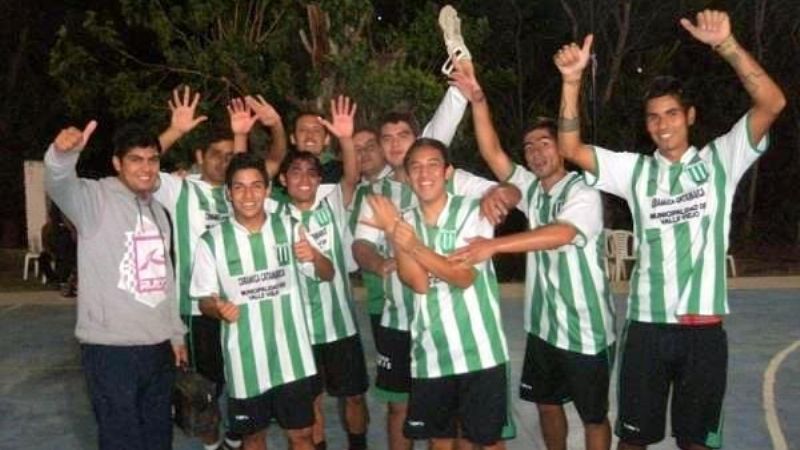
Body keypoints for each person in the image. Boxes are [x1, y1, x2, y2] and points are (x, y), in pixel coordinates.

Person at [554, 10, 785, 450]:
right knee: (633, 441)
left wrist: (727, 45)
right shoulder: (635, 172)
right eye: (653, 117)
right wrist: (571, 81)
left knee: (696, 442)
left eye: (671, 114)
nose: (662, 124)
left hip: (704, 330)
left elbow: (772, 104)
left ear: (690, 116)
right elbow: (570, 149)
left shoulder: (721, 160)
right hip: (646, 328)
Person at [351, 9, 520, 450]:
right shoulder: (379, 195)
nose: (393, 145)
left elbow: (510, 188)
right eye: (385, 139)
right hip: (400, 316)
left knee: (468, 427)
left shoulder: (446, 178)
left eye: (401, 136)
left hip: (458, 323)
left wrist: (497, 199)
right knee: (403, 410)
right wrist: (381, 260)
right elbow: (362, 246)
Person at [449, 61, 616, 450]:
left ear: (561, 146)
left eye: (545, 143)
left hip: (587, 331)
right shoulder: (532, 188)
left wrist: (492, 246)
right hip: (543, 327)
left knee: (594, 416)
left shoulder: (583, 192)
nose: (537, 152)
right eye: (529, 147)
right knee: (545, 405)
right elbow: (491, 152)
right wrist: (478, 99)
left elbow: (559, 234)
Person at [155, 87, 286, 450]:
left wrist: (274, 126)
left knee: (245, 383)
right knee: (205, 390)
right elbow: (145, 162)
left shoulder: (243, 192)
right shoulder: (181, 189)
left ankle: (234, 437)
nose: (224, 161)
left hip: (246, 305)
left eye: (232, 156)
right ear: (200, 156)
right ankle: (215, 445)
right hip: (200, 310)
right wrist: (175, 130)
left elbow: (275, 159)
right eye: (216, 155)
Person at [44, 121, 187, 450]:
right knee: (121, 440)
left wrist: (175, 333)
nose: (146, 168)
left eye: (152, 159)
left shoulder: (159, 212)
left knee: (158, 439)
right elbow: (59, 183)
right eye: (136, 159)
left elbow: (166, 278)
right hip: (111, 352)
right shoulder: (94, 200)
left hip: (159, 348)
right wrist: (61, 155)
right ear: (117, 163)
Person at [362, 138, 510, 450]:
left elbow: (463, 276)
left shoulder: (473, 211)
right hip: (430, 354)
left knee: (486, 441)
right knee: (440, 441)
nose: (424, 173)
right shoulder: (405, 220)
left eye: (432, 165)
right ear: (408, 174)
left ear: (447, 172)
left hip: (479, 353)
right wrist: (394, 232)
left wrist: (413, 244)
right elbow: (418, 283)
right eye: (415, 166)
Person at [190, 153, 328, 450]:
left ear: (267, 190)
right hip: (245, 362)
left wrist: (314, 256)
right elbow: (203, 301)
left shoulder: (289, 227)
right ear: (228, 193)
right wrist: (218, 308)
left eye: (255, 186)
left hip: (294, 358)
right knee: (253, 438)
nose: (248, 194)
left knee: (302, 435)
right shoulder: (211, 241)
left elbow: (326, 274)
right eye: (239, 187)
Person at [275, 96, 369, 450]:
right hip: (299, 330)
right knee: (310, 402)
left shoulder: (332, 203)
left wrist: (345, 137)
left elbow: (350, 175)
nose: (304, 179)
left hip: (340, 325)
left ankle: (357, 444)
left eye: (311, 173)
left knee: (355, 397)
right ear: (284, 179)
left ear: (319, 179)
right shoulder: (272, 216)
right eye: (295, 172)